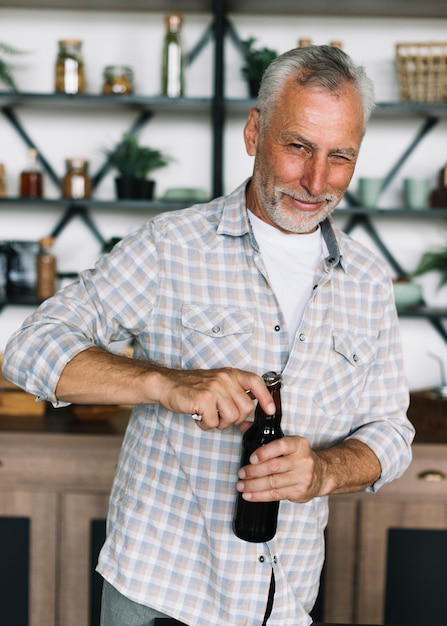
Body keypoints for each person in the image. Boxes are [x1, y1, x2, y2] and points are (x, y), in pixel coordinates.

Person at [3, 45, 414, 626]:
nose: (317, 180)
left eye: (339, 156)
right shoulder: (169, 246)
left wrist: (321, 472)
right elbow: (30, 347)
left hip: (286, 601)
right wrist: (165, 383)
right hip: (162, 596)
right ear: (254, 132)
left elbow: (392, 433)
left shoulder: (369, 281)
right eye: (298, 146)